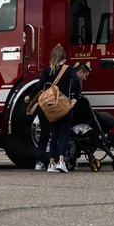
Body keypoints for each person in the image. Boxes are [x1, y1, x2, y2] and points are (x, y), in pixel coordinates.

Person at [30, 44, 80, 173]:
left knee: (54, 135)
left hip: (50, 107)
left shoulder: (48, 70)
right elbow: (76, 81)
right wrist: (75, 97)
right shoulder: (69, 69)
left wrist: (29, 97)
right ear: (65, 58)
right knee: (64, 134)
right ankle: (61, 161)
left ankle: (51, 164)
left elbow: (40, 85)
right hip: (63, 105)